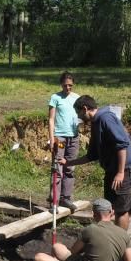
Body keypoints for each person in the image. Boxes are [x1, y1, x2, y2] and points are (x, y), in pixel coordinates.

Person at [29, 198, 131, 261]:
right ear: (111, 212)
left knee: (39, 258)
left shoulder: (90, 230)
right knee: (57, 247)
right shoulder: (123, 234)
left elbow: (74, 251)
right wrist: (112, 256)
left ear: (94, 214)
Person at [59, 95, 131, 230]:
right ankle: (111, 240)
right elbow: (92, 155)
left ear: (85, 108)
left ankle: (121, 244)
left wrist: (120, 173)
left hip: (123, 170)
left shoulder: (105, 118)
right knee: (110, 206)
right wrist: (68, 162)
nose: (79, 117)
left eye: (79, 113)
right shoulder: (96, 122)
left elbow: (122, 144)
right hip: (111, 170)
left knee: (121, 210)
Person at [47, 71, 79, 212]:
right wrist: (52, 138)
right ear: (61, 84)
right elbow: (51, 119)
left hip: (74, 137)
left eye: (70, 85)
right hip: (59, 137)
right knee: (57, 169)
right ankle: (54, 200)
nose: (68, 88)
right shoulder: (55, 98)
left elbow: (81, 116)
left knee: (70, 168)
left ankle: (66, 198)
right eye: (66, 85)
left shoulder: (77, 98)